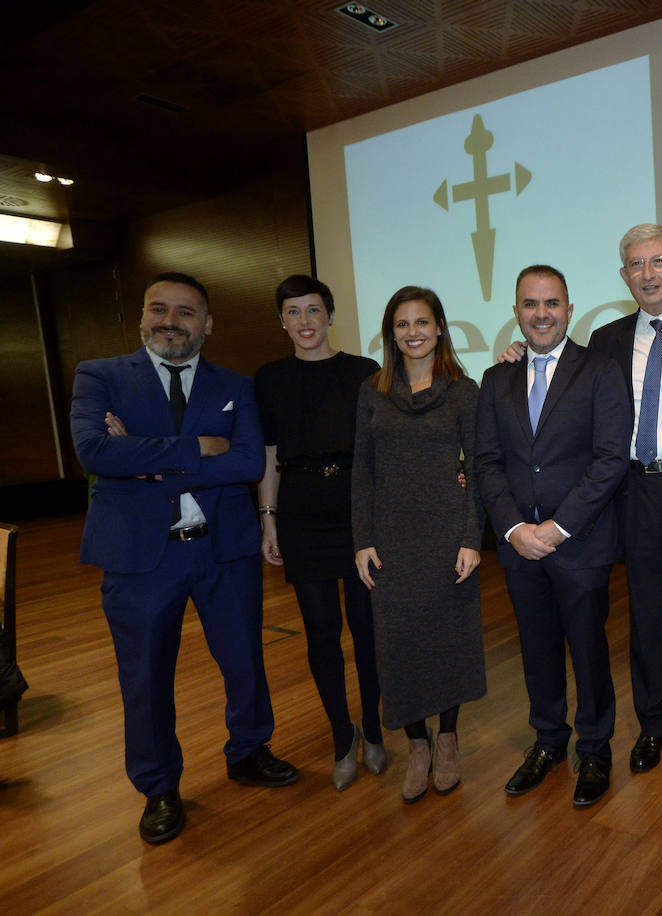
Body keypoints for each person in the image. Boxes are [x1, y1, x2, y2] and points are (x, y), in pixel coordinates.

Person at [500, 225, 662, 775]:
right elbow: (554, 369)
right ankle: (654, 726)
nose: (648, 274)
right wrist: (517, 353)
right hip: (630, 492)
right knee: (647, 616)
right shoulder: (606, 340)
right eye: (636, 264)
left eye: (658, 262)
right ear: (623, 275)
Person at [70, 271, 297, 845]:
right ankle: (158, 787)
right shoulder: (99, 376)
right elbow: (95, 451)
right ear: (143, 316)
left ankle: (248, 749)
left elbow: (247, 462)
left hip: (224, 551)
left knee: (245, 659)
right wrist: (200, 447)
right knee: (145, 677)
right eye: (159, 309)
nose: (171, 321)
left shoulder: (235, 385)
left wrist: (142, 458)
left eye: (186, 312)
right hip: (140, 559)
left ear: (208, 324)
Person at [473, 265, 630, 809]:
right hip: (519, 549)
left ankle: (595, 748)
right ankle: (548, 741)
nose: (541, 313)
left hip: (579, 542)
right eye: (530, 304)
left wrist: (558, 528)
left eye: (552, 303)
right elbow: (487, 462)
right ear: (516, 311)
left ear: (568, 308)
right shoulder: (496, 381)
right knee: (536, 650)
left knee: (587, 649)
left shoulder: (600, 369)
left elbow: (612, 458)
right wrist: (515, 529)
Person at [352, 286, 485, 804]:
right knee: (398, 644)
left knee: (447, 637)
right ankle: (417, 745)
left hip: (446, 535)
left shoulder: (462, 391)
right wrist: (362, 539)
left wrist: (472, 538)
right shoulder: (371, 391)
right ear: (391, 333)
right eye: (402, 324)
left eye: (422, 322)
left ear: (439, 328)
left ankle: (447, 737)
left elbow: (476, 470)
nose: (413, 332)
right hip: (389, 541)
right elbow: (362, 469)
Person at [255, 275, 384, 791]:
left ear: (330, 316)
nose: (304, 321)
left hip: (357, 509)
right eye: (293, 312)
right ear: (281, 320)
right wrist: (268, 517)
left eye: (313, 310)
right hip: (301, 512)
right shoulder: (268, 378)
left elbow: (379, 451)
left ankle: (374, 728)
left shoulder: (364, 372)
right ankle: (340, 736)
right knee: (321, 633)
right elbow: (267, 453)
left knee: (367, 630)